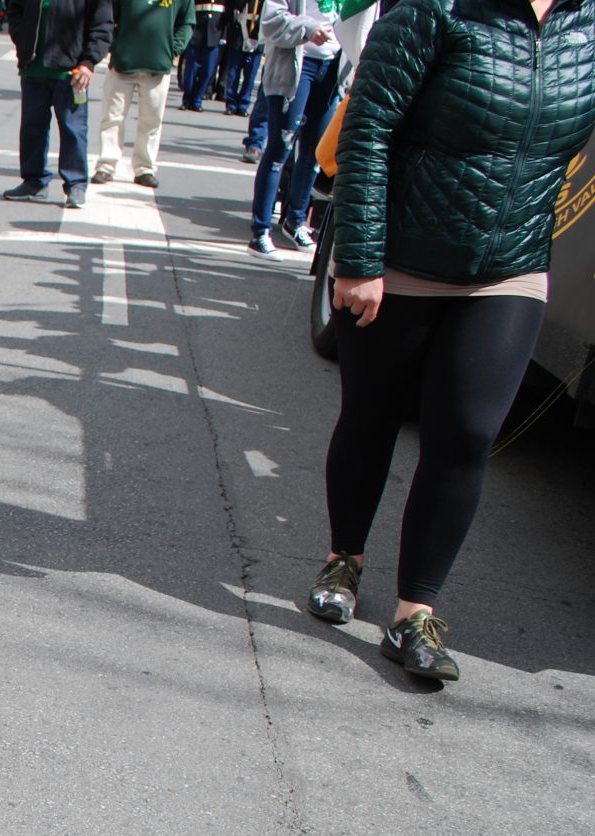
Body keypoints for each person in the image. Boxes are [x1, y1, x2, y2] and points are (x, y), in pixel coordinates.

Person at [305, 0, 595, 684]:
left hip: (511, 267)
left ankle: (414, 614)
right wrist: (360, 260)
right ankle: (345, 558)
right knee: (372, 419)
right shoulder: (436, 9)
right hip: (399, 263)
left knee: (465, 435)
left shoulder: (586, 27)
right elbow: (369, 129)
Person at [244, 0, 339, 258]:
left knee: (314, 153)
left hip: (332, 67)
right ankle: (260, 231)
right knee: (279, 149)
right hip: (296, 65)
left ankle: (296, 221)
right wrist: (308, 28)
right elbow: (271, 20)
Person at [2, 0, 114, 209]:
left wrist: (88, 62)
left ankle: (76, 184)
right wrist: (22, 39)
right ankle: (33, 181)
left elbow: (102, 23)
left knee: (73, 129)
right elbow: (14, 8)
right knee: (32, 128)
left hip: (71, 70)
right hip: (33, 66)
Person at [93, 0, 191, 188]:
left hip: (158, 65)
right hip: (123, 62)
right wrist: (113, 46)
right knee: (112, 117)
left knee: (151, 121)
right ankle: (107, 165)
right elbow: (106, 15)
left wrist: (174, 49)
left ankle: (145, 168)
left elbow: (186, 22)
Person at [177, 0, 221, 110]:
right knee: (190, 70)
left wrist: (224, 35)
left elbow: (228, 12)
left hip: (215, 31)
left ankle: (198, 99)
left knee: (208, 71)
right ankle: (187, 99)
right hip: (196, 29)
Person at [221, 0, 259, 115]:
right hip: (238, 35)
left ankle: (243, 103)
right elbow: (231, 9)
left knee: (250, 75)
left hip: (257, 37)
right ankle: (231, 103)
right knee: (233, 73)